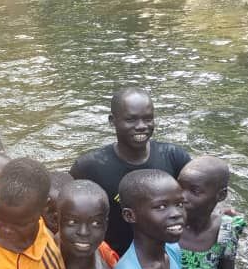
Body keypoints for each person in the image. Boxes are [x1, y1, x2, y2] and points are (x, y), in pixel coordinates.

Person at [70, 87, 191, 255]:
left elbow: (197, 198)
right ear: (113, 121)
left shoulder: (174, 157)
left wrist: (218, 210)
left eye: (148, 119)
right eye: (131, 119)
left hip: (166, 253)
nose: (141, 126)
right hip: (115, 254)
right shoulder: (89, 167)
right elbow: (68, 213)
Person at [177, 156, 245, 269]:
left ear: (221, 195)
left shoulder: (227, 230)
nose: (182, 197)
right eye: (179, 187)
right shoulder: (166, 227)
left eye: (195, 191)